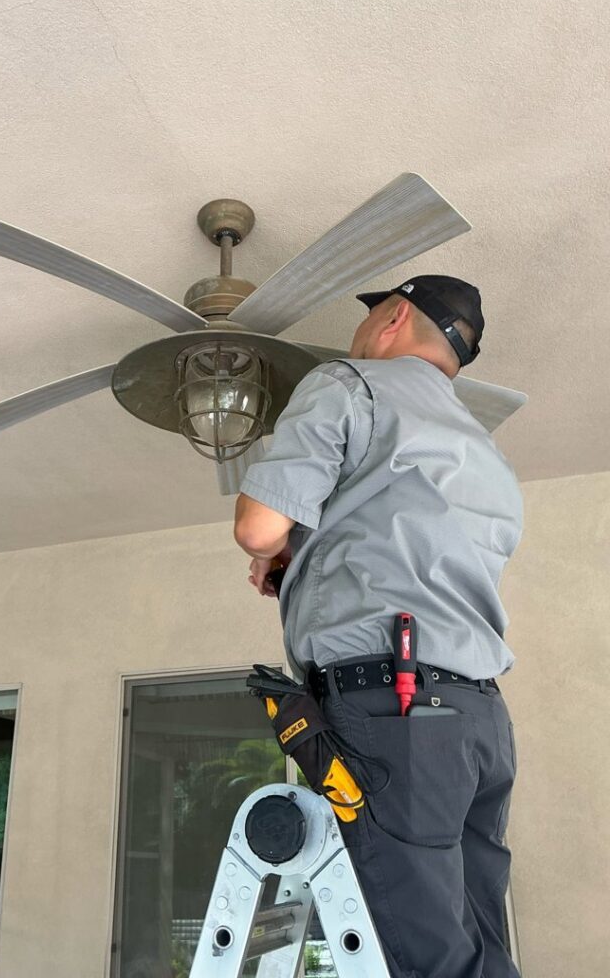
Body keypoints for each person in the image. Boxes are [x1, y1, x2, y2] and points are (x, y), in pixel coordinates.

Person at [233, 275, 523, 978]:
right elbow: (408, 552)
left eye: (370, 323)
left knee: (422, 958)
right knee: (479, 945)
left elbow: (255, 526)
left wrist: (278, 539)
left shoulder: (350, 382)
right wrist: (306, 551)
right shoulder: (484, 454)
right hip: (479, 724)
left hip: (396, 714)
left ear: (393, 318)